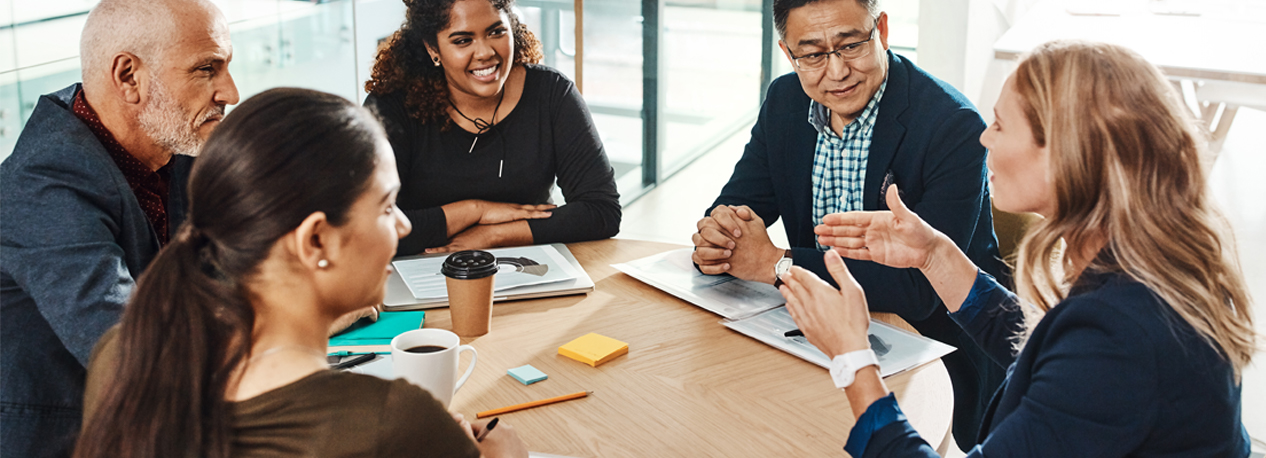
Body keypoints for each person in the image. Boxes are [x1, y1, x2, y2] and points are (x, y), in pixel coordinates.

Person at [782, 40, 1255, 457]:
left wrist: (852, 357)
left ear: (1066, 155)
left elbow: (1087, 356)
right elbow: (1050, 353)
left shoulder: (1121, 336)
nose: (984, 137)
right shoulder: (1144, 262)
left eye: (1001, 126)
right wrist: (934, 255)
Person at [73, 88, 529, 458]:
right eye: (387, 207)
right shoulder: (390, 422)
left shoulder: (122, 354)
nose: (404, 225)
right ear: (316, 241)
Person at [690, 0, 1005, 446]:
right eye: (813, 54)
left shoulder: (951, 126)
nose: (836, 72)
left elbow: (922, 291)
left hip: (929, 351)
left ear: (882, 30)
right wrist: (720, 235)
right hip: (808, 338)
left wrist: (776, 264)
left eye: (851, 44)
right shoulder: (785, 100)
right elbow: (741, 205)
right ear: (787, 52)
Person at [0, 0, 238, 455]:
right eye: (207, 69)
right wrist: (289, 320)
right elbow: (132, 352)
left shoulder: (177, 147)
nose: (230, 92)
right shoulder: (41, 186)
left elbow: (229, 271)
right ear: (129, 77)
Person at [364, 0, 621, 256]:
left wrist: (493, 235)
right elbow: (369, 227)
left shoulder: (551, 93)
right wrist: (475, 211)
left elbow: (601, 211)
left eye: (496, 32)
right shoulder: (390, 107)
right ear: (433, 48)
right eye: (463, 40)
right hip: (421, 270)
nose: (486, 52)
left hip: (532, 265)